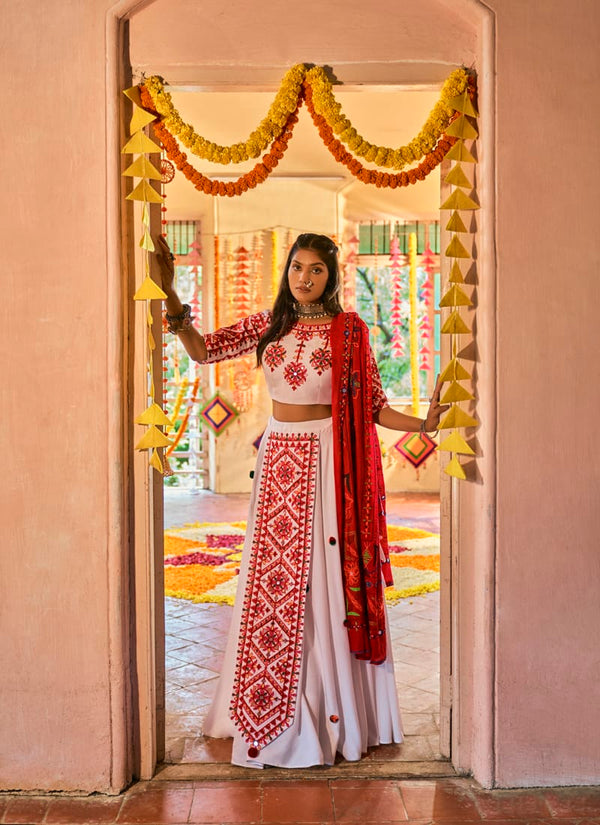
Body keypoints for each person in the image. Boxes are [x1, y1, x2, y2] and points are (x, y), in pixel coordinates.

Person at [156, 232, 448, 769]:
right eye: (297, 267)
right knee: (275, 585)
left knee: (326, 584)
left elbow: (374, 407)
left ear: (332, 276)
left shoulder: (350, 331)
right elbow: (201, 351)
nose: (305, 278)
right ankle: (267, 709)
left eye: (316, 269)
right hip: (278, 467)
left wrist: (425, 424)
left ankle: (331, 710)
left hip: (329, 464)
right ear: (286, 271)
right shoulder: (268, 326)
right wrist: (172, 295)